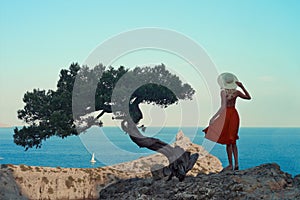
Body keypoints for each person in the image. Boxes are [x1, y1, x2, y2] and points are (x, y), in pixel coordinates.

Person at [203, 72, 251, 171]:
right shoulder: (236, 92)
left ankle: (231, 164)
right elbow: (248, 97)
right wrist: (242, 87)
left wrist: (213, 118)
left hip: (226, 115)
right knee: (232, 140)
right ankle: (236, 164)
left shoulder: (223, 92)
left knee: (229, 141)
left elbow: (223, 107)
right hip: (234, 114)